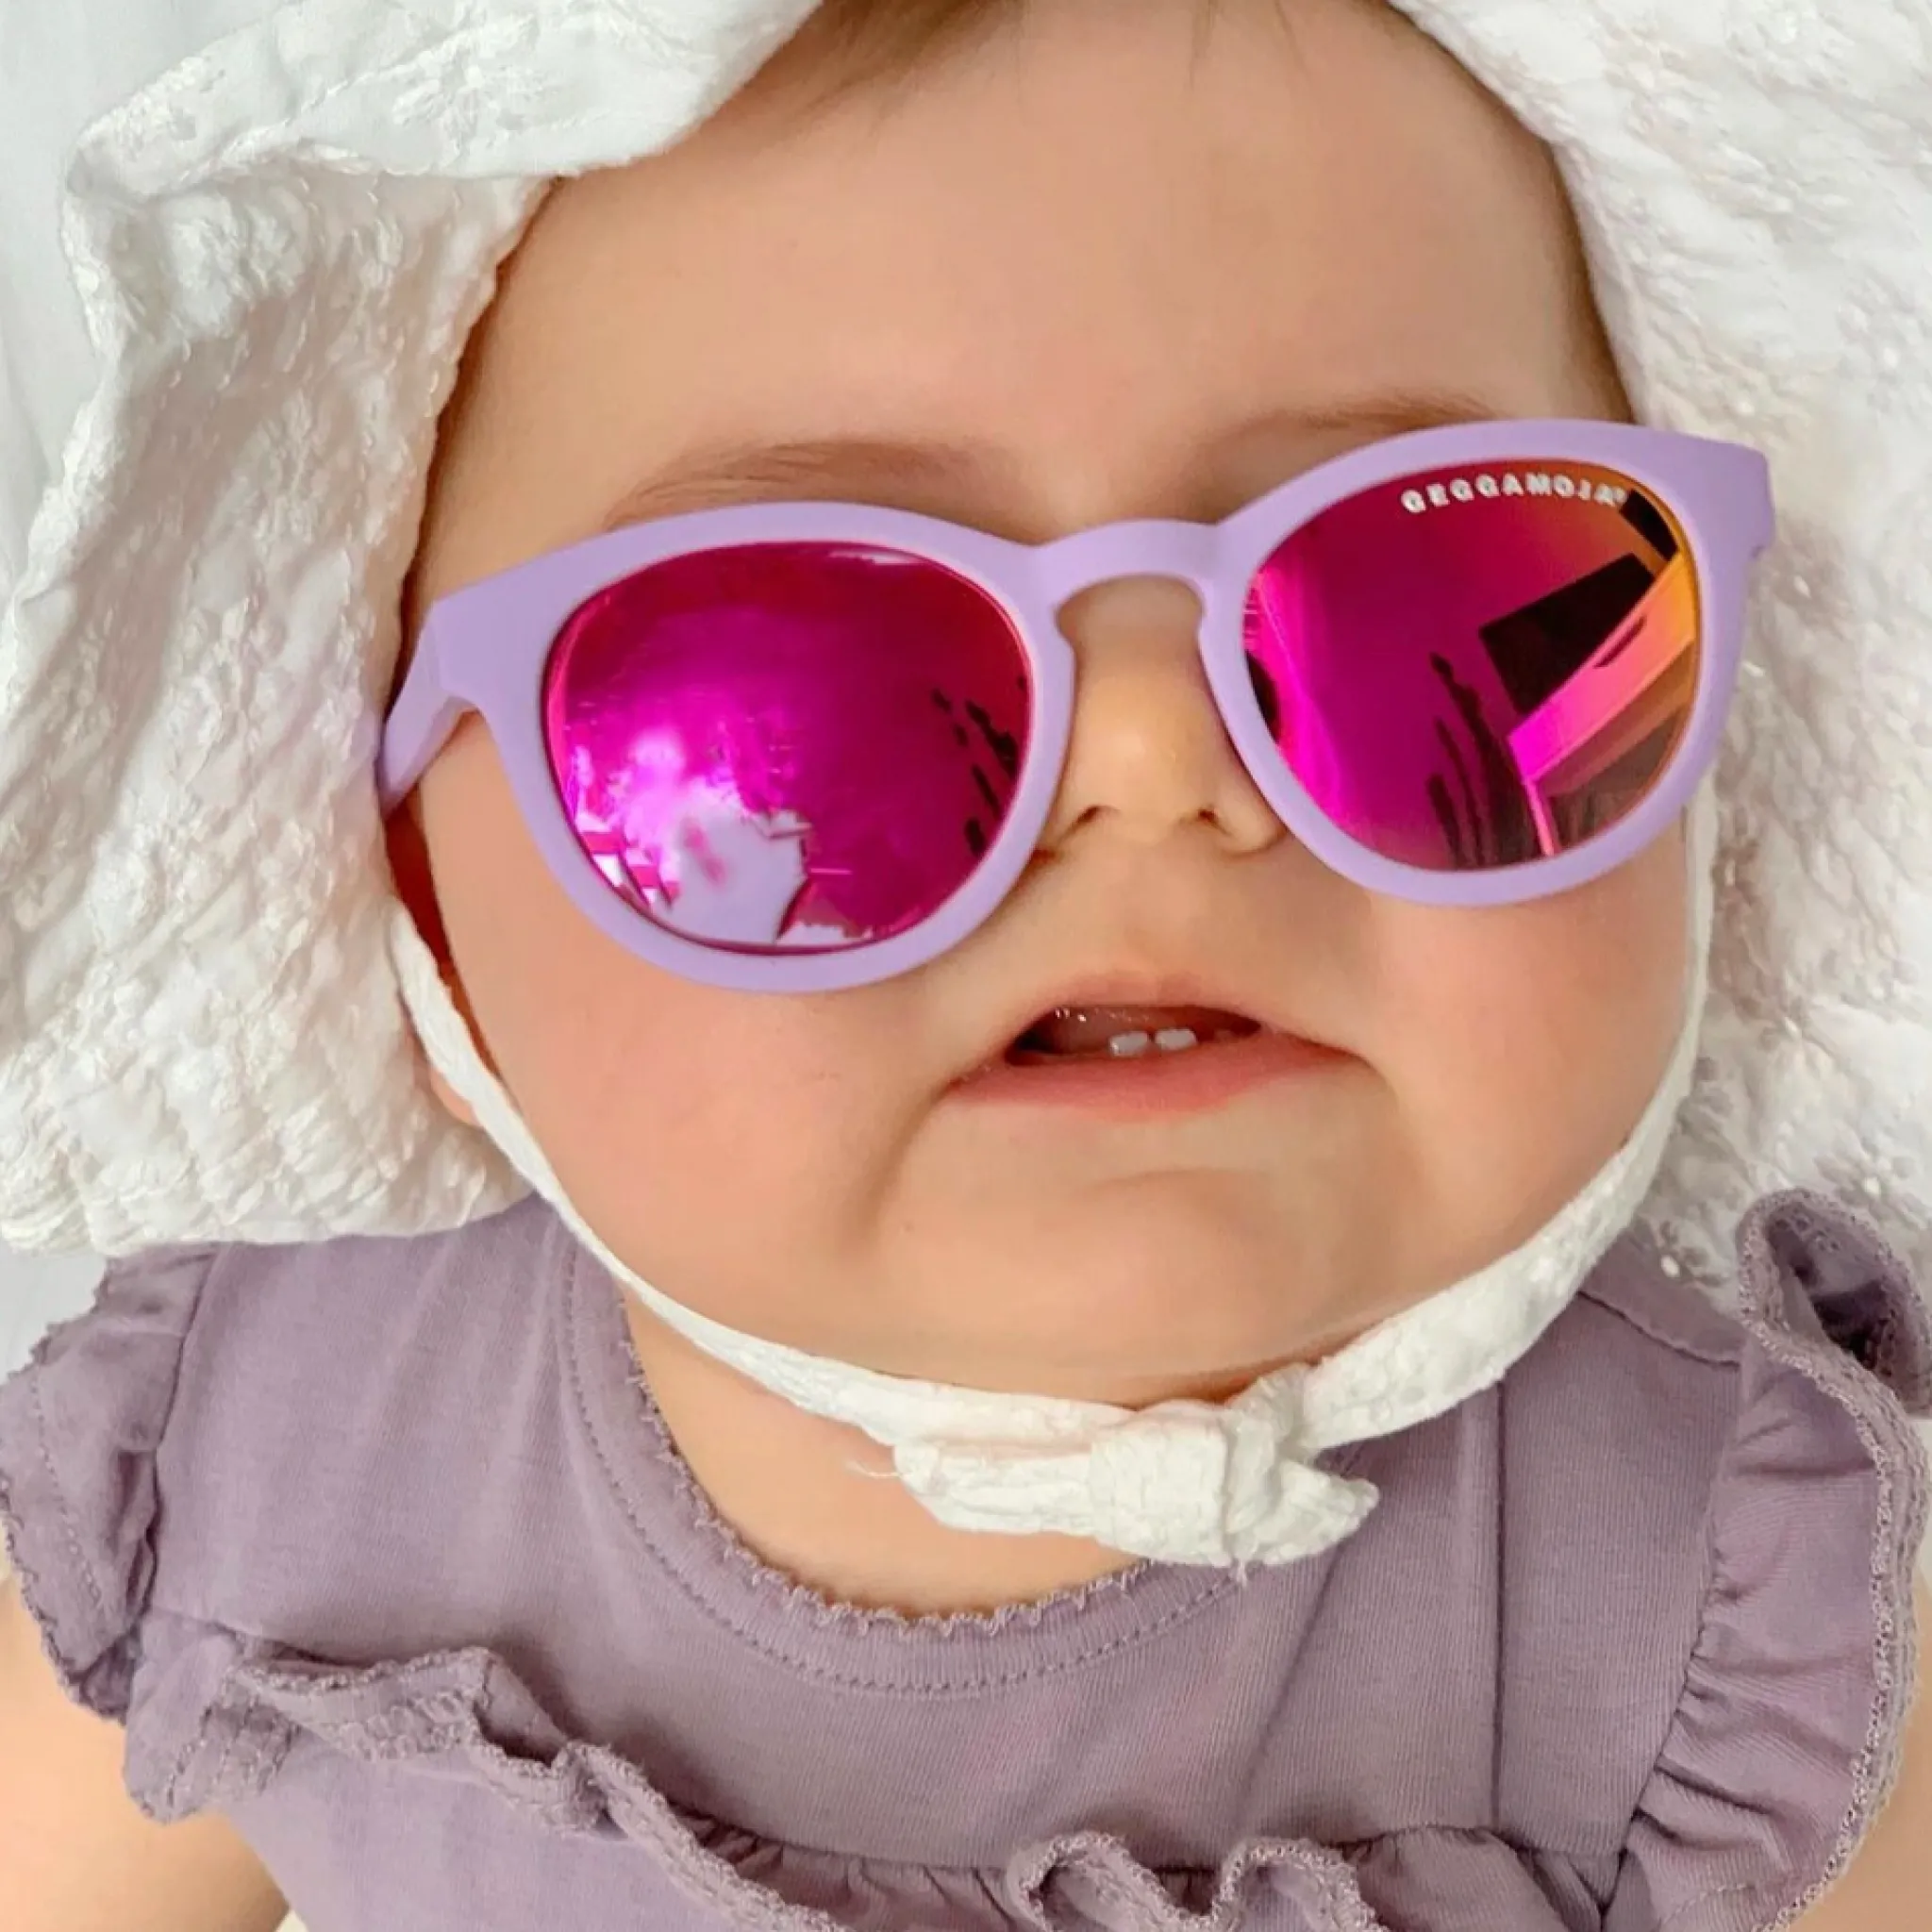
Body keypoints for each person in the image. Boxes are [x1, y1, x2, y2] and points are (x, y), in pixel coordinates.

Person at [1, 1, 1927, 1927]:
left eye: (1438, 628)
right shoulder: (261, 1438)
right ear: (415, 910)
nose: (1157, 760)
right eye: (797, 713)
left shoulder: (1729, 1626)